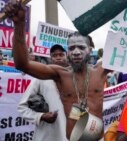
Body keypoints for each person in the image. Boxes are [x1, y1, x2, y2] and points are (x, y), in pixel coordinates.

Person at [4, 2, 110, 139]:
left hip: (97, 138)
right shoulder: (60, 75)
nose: (76, 52)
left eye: (81, 48)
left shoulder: (101, 70)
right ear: (68, 52)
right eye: (72, 48)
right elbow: (22, 64)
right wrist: (19, 25)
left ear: (90, 50)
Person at [18, 44, 68, 141]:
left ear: (67, 56)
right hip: (45, 137)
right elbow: (22, 107)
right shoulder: (40, 78)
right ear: (50, 59)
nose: (58, 58)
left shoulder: (74, 79)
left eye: (61, 55)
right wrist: (41, 116)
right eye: (54, 55)